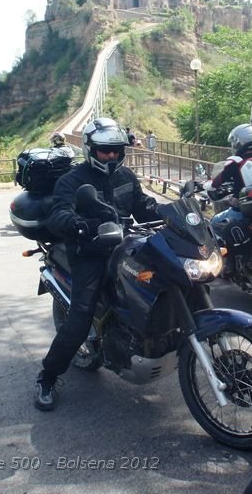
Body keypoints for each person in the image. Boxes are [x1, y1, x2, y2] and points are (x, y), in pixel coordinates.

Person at [34, 117, 161, 411]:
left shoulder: (126, 177)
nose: (112, 156)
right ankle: (48, 376)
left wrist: (175, 212)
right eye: (105, 151)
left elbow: (144, 208)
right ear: (91, 150)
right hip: (89, 252)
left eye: (116, 150)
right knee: (79, 318)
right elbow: (58, 215)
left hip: (128, 245)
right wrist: (82, 226)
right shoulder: (72, 181)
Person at [210, 123, 252, 205]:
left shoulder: (236, 162)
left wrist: (209, 184)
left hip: (245, 209)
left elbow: (216, 182)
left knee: (218, 218)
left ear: (239, 142)